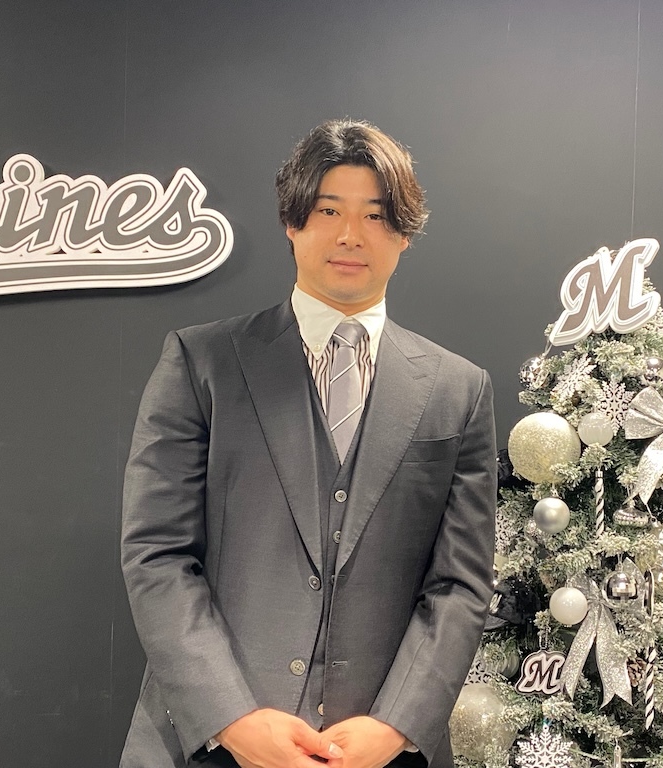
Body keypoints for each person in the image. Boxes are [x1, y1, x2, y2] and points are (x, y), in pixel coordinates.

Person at [120, 119, 496, 768]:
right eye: (328, 210)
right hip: (209, 744)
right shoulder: (202, 362)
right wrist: (232, 719)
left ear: (404, 235)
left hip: (379, 752)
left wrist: (396, 726)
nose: (351, 235)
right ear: (292, 223)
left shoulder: (457, 389)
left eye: (376, 215)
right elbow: (157, 554)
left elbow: (460, 584)